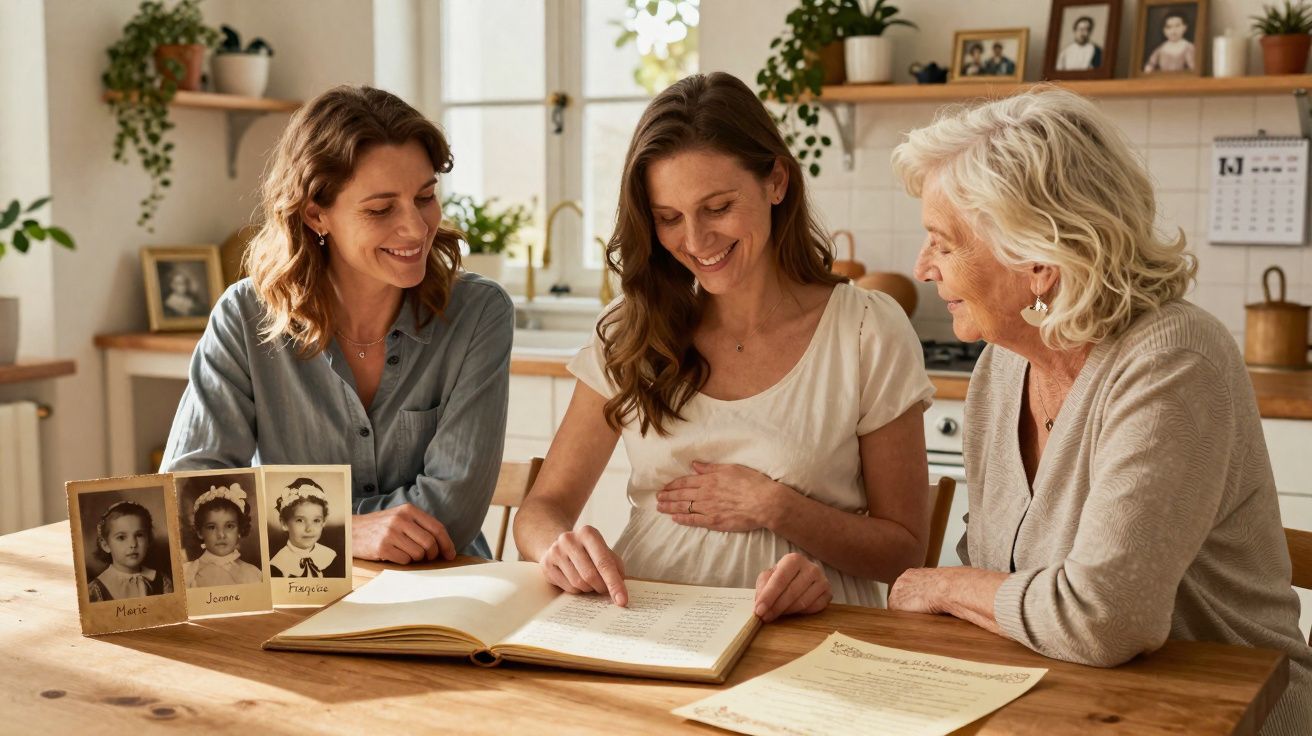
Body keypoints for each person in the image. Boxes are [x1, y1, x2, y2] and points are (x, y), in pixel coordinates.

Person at [886, 87, 1311, 735]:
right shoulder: (1000, 365)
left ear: (1038, 259)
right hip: (1065, 703)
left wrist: (943, 586)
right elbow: (998, 576)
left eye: (942, 244)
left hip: (1228, 715)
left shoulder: (1173, 359)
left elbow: (1104, 619)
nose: (922, 268)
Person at [513, 72, 934, 622]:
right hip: (644, 623)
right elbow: (542, 509)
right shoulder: (631, 332)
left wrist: (776, 506)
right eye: (668, 218)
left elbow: (904, 553)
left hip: (811, 635)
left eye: (717, 208)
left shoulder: (866, 330)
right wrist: (557, 548)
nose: (695, 240)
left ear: (775, 182)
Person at [160, 85, 514, 564]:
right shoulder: (244, 317)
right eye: (380, 208)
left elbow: (450, 514)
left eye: (425, 196)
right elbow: (190, 497)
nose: (415, 227)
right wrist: (346, 532)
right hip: (297, 593)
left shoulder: (478, 314)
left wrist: (296, 528)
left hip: (439, 595)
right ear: (315, 213)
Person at [88, 501, 173, 601]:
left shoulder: (161, 581)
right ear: (105, 545)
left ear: (149, 539)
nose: (133, 544)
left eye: (139, 535)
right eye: (121, 537)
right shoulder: (96, 590)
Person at [183, 483, 262, 587]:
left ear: (239, 530)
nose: (221, 535)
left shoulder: (253, 573)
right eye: (211, 527)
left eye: (229, 526)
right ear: (200, 532)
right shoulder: (187, 572)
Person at [269, 478, 338, 578]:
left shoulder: (331, 557)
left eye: (316, 520)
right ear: (284, 523)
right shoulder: (277, 566)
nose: (309, 529)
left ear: (324, 521)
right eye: (300, 520)